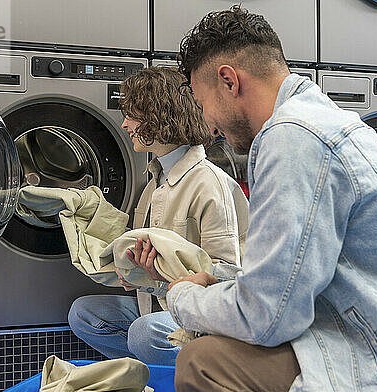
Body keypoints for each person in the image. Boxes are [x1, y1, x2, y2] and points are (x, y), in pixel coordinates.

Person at [154, 6, 377, 392]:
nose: (208, 125)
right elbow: (300, 279)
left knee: (205, 364)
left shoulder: (292, 137)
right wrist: (222, 282)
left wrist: (181, 297)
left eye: (202, 103)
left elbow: (267, 315)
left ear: (229, 81)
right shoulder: (318, 121)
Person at [67, 66, 248, 366]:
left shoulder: (207, 183)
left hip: (205, 319)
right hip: (156, 305)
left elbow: (227, 277)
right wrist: (134, 274)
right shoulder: (153, 183)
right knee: (84, 314)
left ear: (159, 117)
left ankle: (175, 380)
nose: (124, 125)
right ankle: (152, 376)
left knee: (143, 333)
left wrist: (160, 281)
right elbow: (152, 260)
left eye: (132, 116)